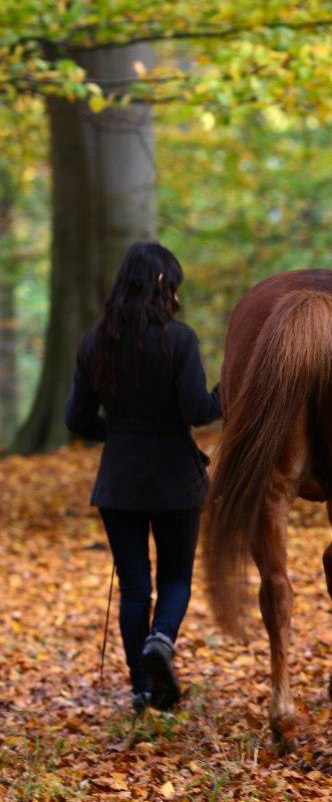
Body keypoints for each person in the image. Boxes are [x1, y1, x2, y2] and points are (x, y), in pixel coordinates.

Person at [65, 242, 222, 714]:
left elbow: (77, 419)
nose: (176, 295)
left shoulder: (95, 343)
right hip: (175, 478)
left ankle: (141, 688)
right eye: (172, 284)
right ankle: (161, 640)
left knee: (135, 588)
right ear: (160, 283)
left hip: (120, 482)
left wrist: (115, 433)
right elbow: (198, 410)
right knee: (176, 578)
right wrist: (228, 391)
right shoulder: (180, 339)